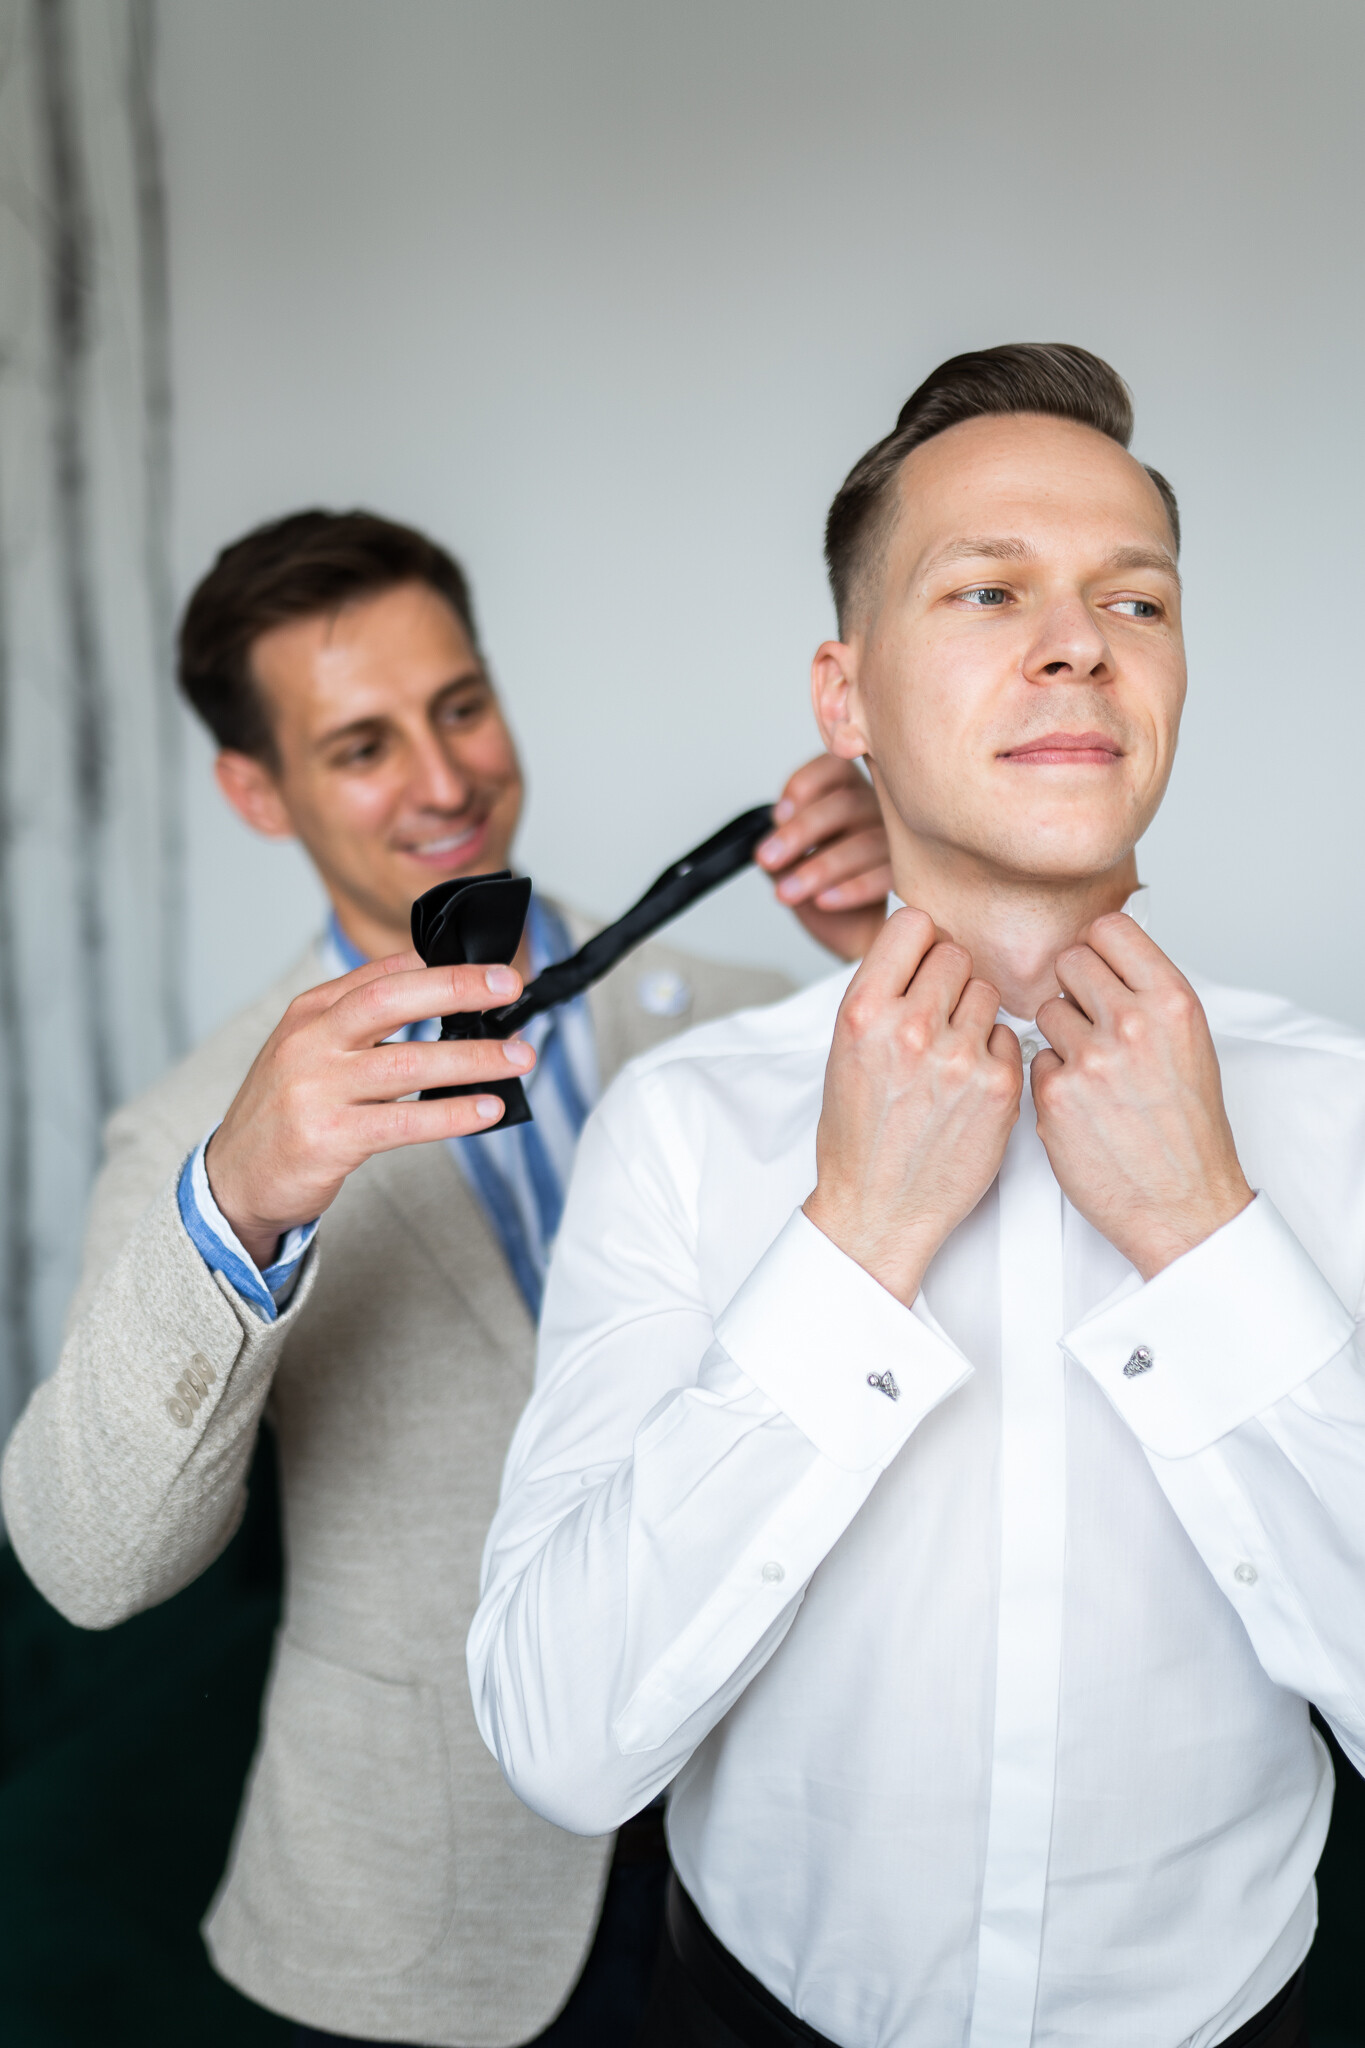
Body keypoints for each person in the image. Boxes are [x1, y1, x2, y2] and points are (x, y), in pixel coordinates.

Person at [468, 345, 1365, 2048]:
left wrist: (1206, 1239)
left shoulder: (1340, 1115)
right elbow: (560, 1742)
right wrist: (856, 1241)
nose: (1079, 642)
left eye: (1136, 601)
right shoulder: (683, 1128)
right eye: (986, 589)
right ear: (846, 698)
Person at [0, 509, 893, 2048]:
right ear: (254, 790)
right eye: (361, 746)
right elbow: (89, 1565)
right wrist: (242, 1197)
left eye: (459, 705)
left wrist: (897, 932)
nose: (442, 779)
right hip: (429, 1915)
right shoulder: (194, 1123)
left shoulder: (744, 1012)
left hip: (785, 1857)